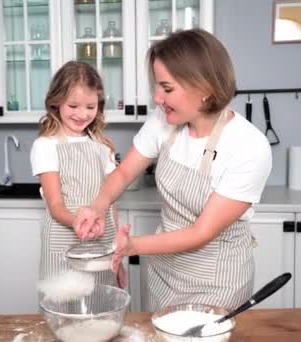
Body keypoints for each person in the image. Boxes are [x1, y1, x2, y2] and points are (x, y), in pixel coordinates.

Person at [73, 28, 272, 311]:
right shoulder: (164, 120)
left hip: (217, 282)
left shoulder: (249, 146)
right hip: (164, 275)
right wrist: (97, 206)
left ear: (204, 89)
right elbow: (123, 173)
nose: (157, 98)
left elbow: (201, 233)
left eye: (167, 88)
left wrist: (133, 246)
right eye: (157, 86)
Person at [30, 61, 125, 288]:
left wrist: (118, 257)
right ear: (56, 103)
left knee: (102, 309)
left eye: (90, 107)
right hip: (64, 246)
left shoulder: (102, 146)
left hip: (103, 247)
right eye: (73, 106)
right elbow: (56, 205)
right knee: (65, 311)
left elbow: (111, 206)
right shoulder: (46, 146)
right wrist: (80, 223)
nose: (82, 114)